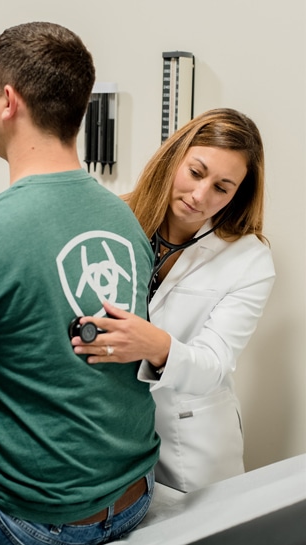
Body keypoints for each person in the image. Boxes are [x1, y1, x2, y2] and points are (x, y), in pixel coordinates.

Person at [0, 22, 160, 544]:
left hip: (37, 520)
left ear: (9, 102)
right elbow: (68, 374)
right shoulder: (124, 222)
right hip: (135, 492)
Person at [71, 108, 276, 492]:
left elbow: (215, 363)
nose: (200, 196)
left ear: (238, 194)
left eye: (222, 187)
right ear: (174, 159)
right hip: (109, 431)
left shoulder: (249, 258)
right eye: (196, 173)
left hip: (193, 446)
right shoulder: (114, 219)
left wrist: (155, 345)